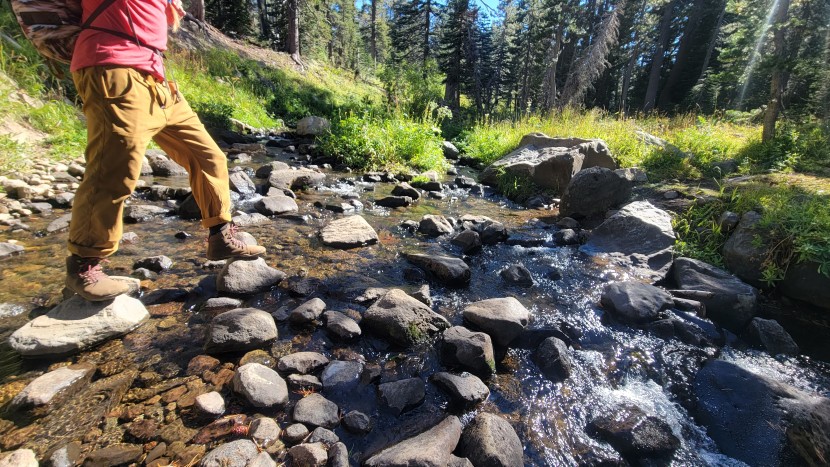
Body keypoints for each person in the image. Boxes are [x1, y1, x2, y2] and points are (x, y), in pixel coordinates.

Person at [65, 0, 265, 301]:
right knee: (115, 166)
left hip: (156, 79)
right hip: (112, 65)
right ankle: (83, 265)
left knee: (209, 157)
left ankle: (221, 235)